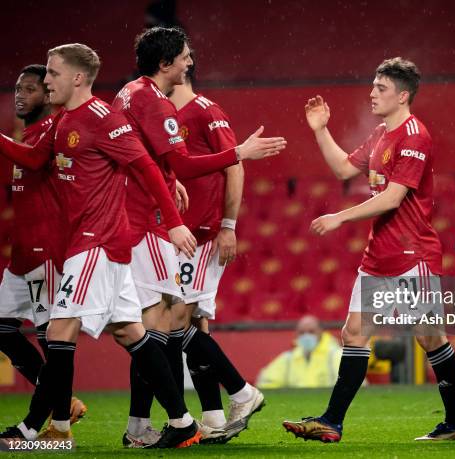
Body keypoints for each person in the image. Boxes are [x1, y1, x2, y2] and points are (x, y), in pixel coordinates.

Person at [0, 43, 202, 449]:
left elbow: (145, 165)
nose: (47, 81)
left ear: (76, 78)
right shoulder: (63, 122)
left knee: (59, 331)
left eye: (53, 74)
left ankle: (53, 431)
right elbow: (37, 159)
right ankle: (182, 423)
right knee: (131, 333)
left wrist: (176, 224)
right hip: (94, 244)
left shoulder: (102, 117)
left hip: (98, 241)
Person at [283, 58, 455, 442]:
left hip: (411, 255)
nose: (371, 93)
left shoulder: (416, 135)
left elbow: (392, 198)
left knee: (430, 338)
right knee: (353, 334)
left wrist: (339, 217)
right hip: (379, 257)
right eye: (372, 86)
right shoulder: (382, 133)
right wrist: (321, 130)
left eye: (380, 88)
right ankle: (332, 421)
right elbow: (343, 169)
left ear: (403, 95)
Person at [115, 27, 277, 446]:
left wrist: (224, 223)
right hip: (151, 224)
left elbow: (156, 162)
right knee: (165, 323)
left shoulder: (133, 93)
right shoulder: (155, 102)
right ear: (165, 63)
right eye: (185, 56)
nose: (191, 62)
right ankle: (223, 404)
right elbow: (182, 164)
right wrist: (238, 152)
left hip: (163, 224)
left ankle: (178, 420)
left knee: (163, 322)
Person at [169, 61, 264, 442]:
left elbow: (235, 164)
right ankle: (213, 417)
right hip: (178, 235)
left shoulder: (206, 111)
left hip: (203, 233)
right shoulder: (165, 118)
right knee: (193, 325)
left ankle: (243, 392)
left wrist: (228, 225)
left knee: (175, 323)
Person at [0, 64, 86, 424]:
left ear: (47, 94)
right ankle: (59, 400)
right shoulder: (28, 133)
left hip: (45, 255)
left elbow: (37, 161)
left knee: (52, 342)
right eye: (17, 87)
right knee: (2, 328)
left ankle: (55, 425)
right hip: (20, 257)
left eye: (30, 88)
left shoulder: (54, 129)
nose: (20, 94)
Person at [257, 315, 342, 389]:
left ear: (321, 331)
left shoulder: (336, 355)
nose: (306, 335)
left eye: (311, 331)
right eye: (302, 332)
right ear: (296, 334)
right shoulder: (288, 359)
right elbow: (266, 383)